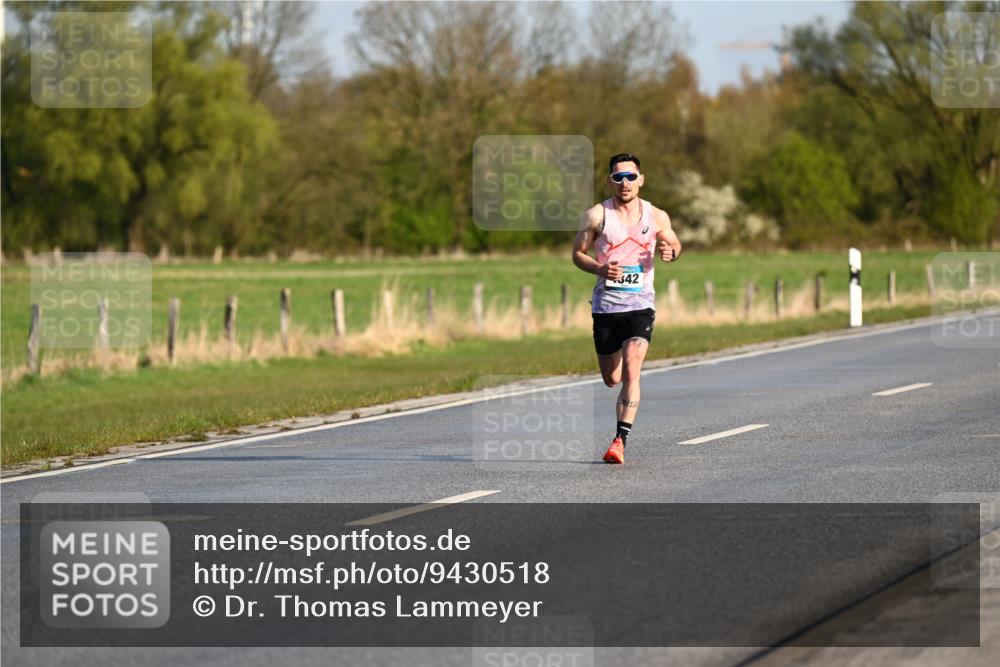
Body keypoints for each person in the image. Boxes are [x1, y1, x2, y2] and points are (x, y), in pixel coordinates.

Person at [571, 153, 682, 464]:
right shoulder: (596, 216)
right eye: (618, 177)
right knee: (612, 377)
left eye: (630, 177)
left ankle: (619, 440)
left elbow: (674, 244)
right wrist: (600, 269)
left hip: (640, 305)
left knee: (633, 367)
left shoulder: (656, 216)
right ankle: (615, 373)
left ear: (641, 180)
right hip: (606, 307)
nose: (625, 183)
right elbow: (577, 254)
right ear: (610, 181)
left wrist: (670, 252)